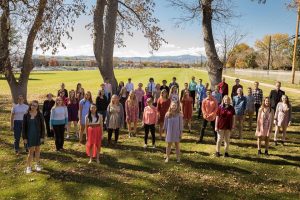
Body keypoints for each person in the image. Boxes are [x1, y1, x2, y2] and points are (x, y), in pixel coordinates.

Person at [22, 100, 45, 174]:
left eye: (35, 105)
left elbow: (43, 126)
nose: (34, 107)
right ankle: (28, 167)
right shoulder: (26, 115)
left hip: (38, 135)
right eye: (32, 105)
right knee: (31, 152)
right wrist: (24, 138)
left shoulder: (39, 114)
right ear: (30, 105)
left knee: (38, 150)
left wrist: (42, 136)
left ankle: (37, 165)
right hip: (29, 136)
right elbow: (24, 127)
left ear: (37, 107)